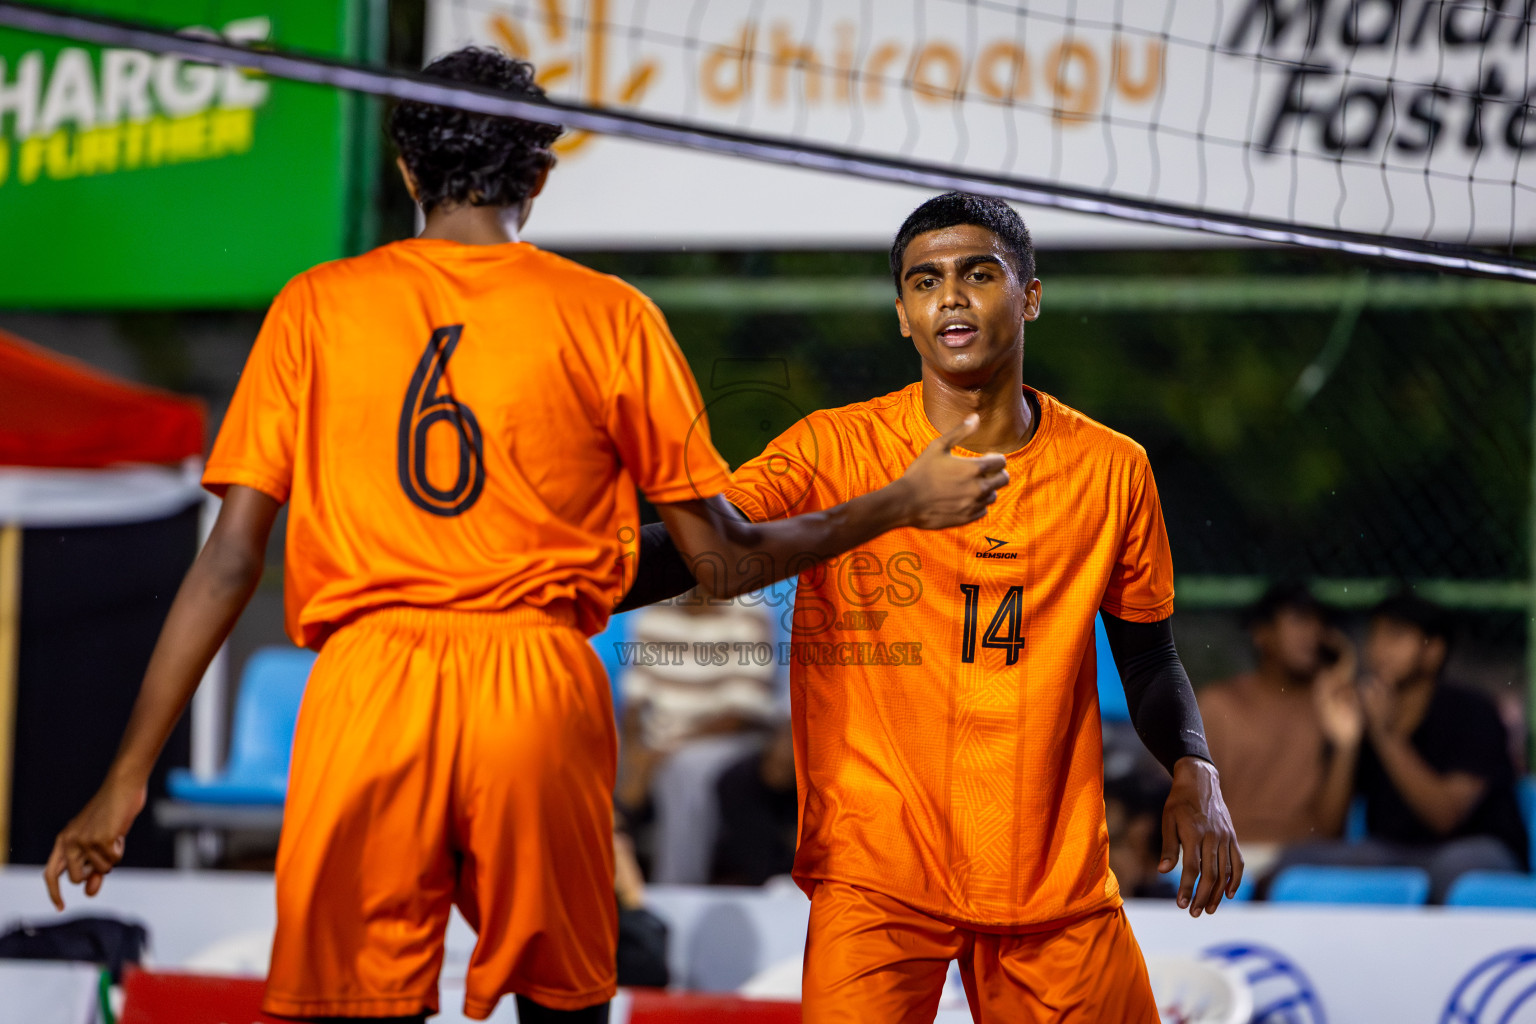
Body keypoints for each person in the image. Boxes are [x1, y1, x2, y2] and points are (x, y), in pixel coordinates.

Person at [40, 52, 1009, 1024]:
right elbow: (725, 559)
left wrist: (124, 782)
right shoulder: (609, 315)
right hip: (535, 687)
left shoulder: (316, 308)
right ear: (542, 174)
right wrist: (895, 503)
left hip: (368, 694)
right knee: (566, 1003)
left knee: (349, 1007)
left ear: (406, 169)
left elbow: (228, 560)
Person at [620, 193, 1242, 1022]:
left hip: (1045, 874)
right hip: (877, 873)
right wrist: (574, 563)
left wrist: (1194, 767)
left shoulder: (1111, 468)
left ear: (1029, 296)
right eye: (925, 281)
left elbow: (1149, 655)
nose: (950, 295)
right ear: (905, 317)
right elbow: (712, 552)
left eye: (978, 274)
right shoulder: (832, 448)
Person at [1276, 593, 1529, 903]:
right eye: (1374, 636)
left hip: (1476, 850)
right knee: (1294, 862)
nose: (1378, 650)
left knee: (1454, 869)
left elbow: (1445, 817)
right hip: (1392, 853)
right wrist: (1346, 744)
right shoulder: (1364, 712)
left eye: (1395, 637)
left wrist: (1386, 736)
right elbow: (1329, 831)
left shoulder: (1473, 711)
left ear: (1433, 651)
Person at [613, 594, 780, 884]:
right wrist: (634, 753)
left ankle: (676, 889)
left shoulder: (748, 613)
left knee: (684, 769)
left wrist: (666, 750)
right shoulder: (653, 613)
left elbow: (742, 711)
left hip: (724, 741)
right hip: (657, 743)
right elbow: (635, 703)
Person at [1198, 584, 1357, 873]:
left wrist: (1345, 742)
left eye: (1319, 623)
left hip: (1303, 865)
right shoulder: (1218, 704)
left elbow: (1332, 829)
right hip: (1226, 860)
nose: (1313, 633)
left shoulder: (1330, 708)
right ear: (1262, 634)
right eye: (1299, 620)